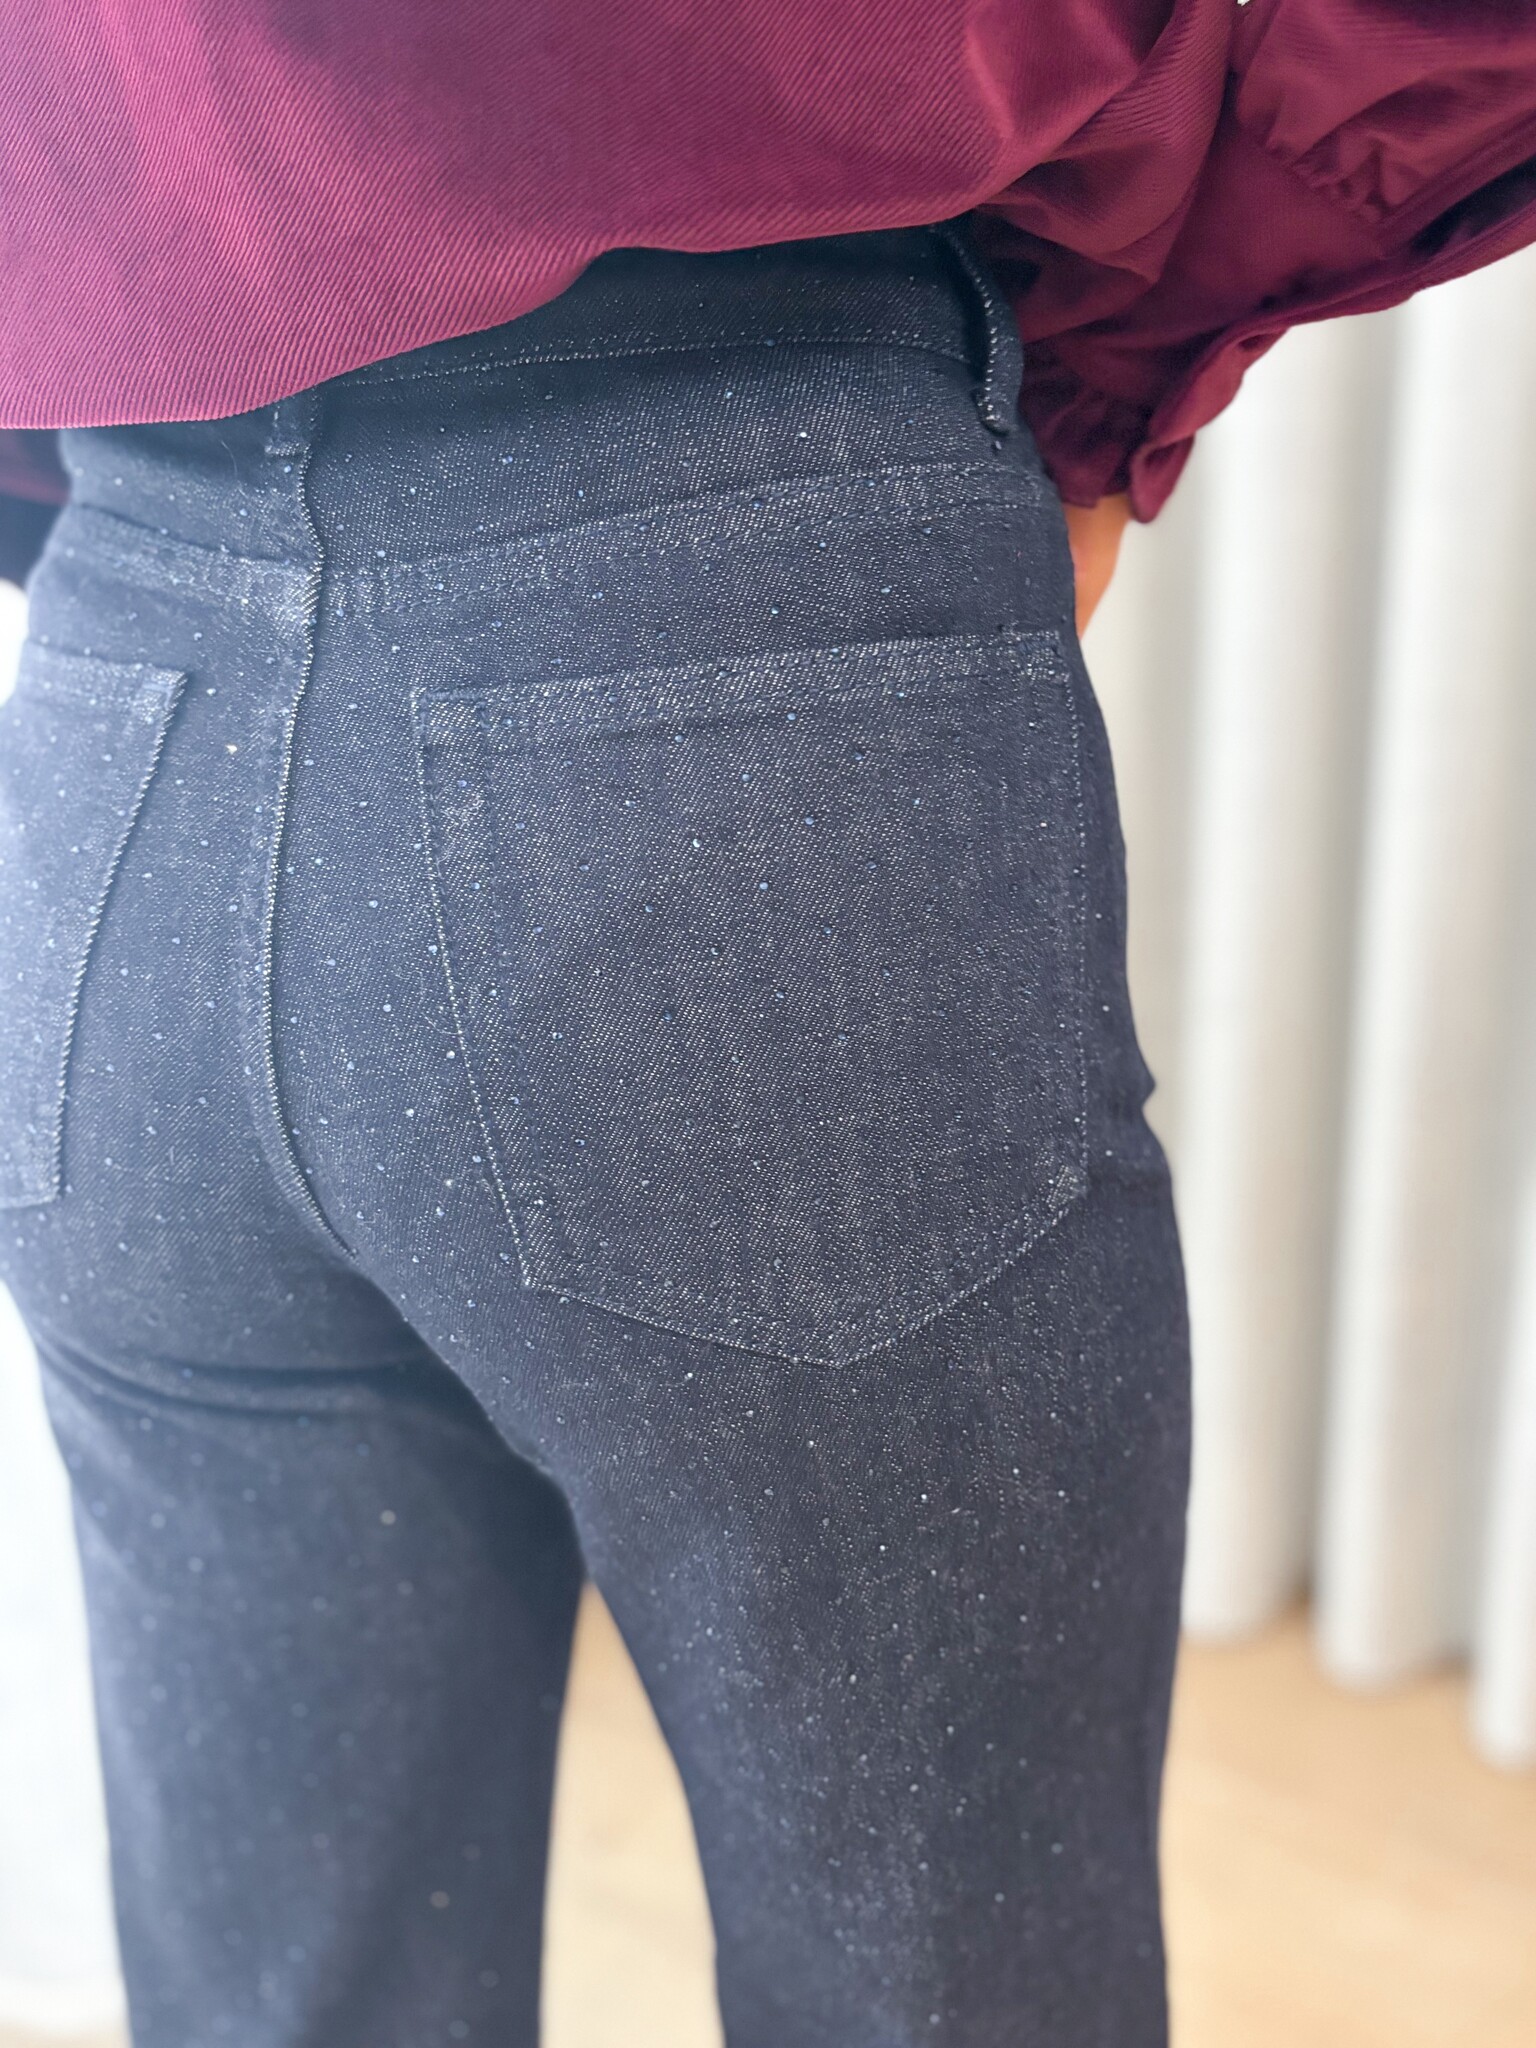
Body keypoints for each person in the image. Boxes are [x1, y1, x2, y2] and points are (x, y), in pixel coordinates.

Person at [2, 9, 1534, 2046]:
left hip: (118, 701)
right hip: (730, 586)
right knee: (941, 1976)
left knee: (288, 1995)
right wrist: (1107, 378)